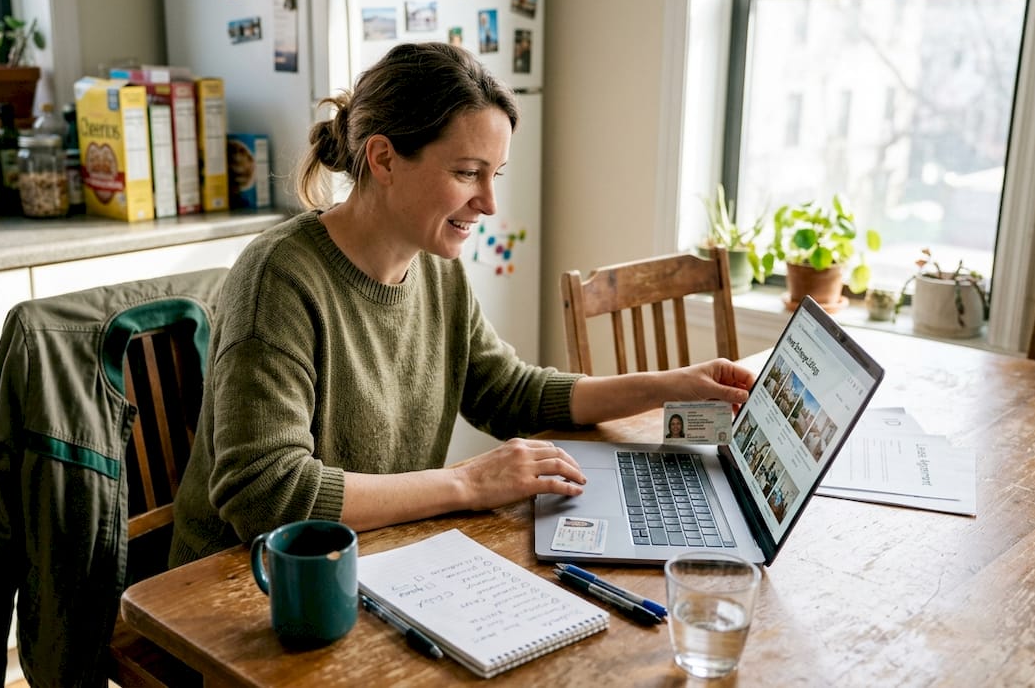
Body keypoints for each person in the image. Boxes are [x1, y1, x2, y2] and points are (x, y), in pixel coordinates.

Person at [168, 42, 755, 565]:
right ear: (384, 158)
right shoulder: (280, 277)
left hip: (376, 555)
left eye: (495, 173)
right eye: (468, 173)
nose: (489, 203)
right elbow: (267, 496)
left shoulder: (433, 267)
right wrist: (468, 483)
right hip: (249, 588)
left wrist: (667, 387)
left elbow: (510, 391)